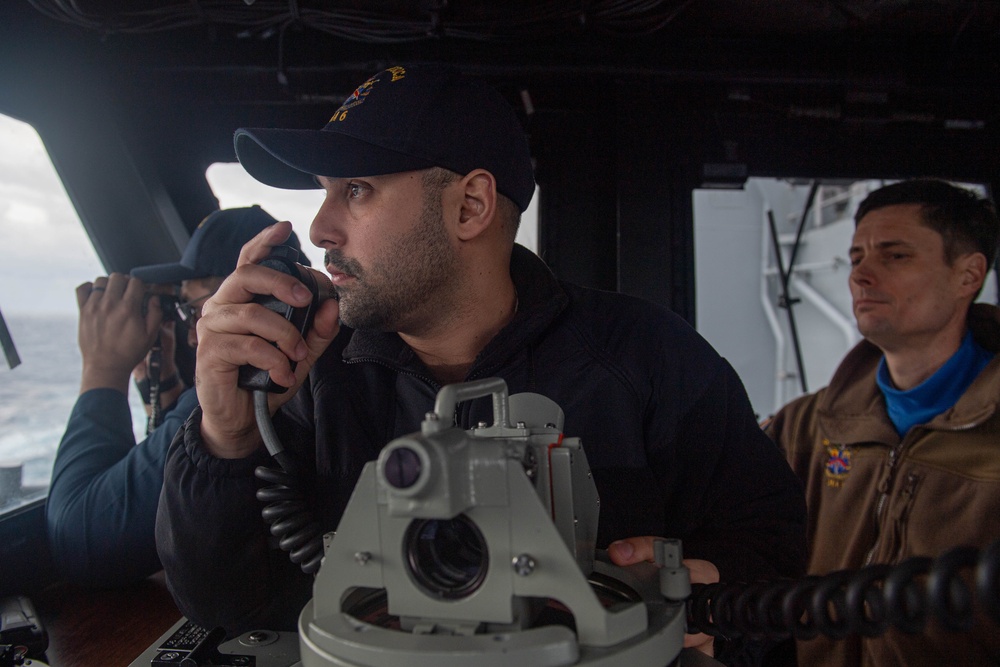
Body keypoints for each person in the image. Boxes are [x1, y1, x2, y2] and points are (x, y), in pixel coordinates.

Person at [155, 64, 807, 662]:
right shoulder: (312, 372)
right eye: (325, 192)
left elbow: (772, 549)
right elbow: (222, 607)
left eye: (355, 189)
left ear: (469, 206)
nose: (320, 227)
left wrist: (717, 597)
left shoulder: (648, 356)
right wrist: (226, 434)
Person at [765, 178, 1000, 665]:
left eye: (894, 256)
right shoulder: (805, 428)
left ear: (968, 275)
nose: (860, 276)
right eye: (856, 258)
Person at [46, 205, 308, 588]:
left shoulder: (249, 387)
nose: (191, 334)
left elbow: (80, 539)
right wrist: (162, 379)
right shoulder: (297, 376)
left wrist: (103, 370)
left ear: (265, 303)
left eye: (197, 309)